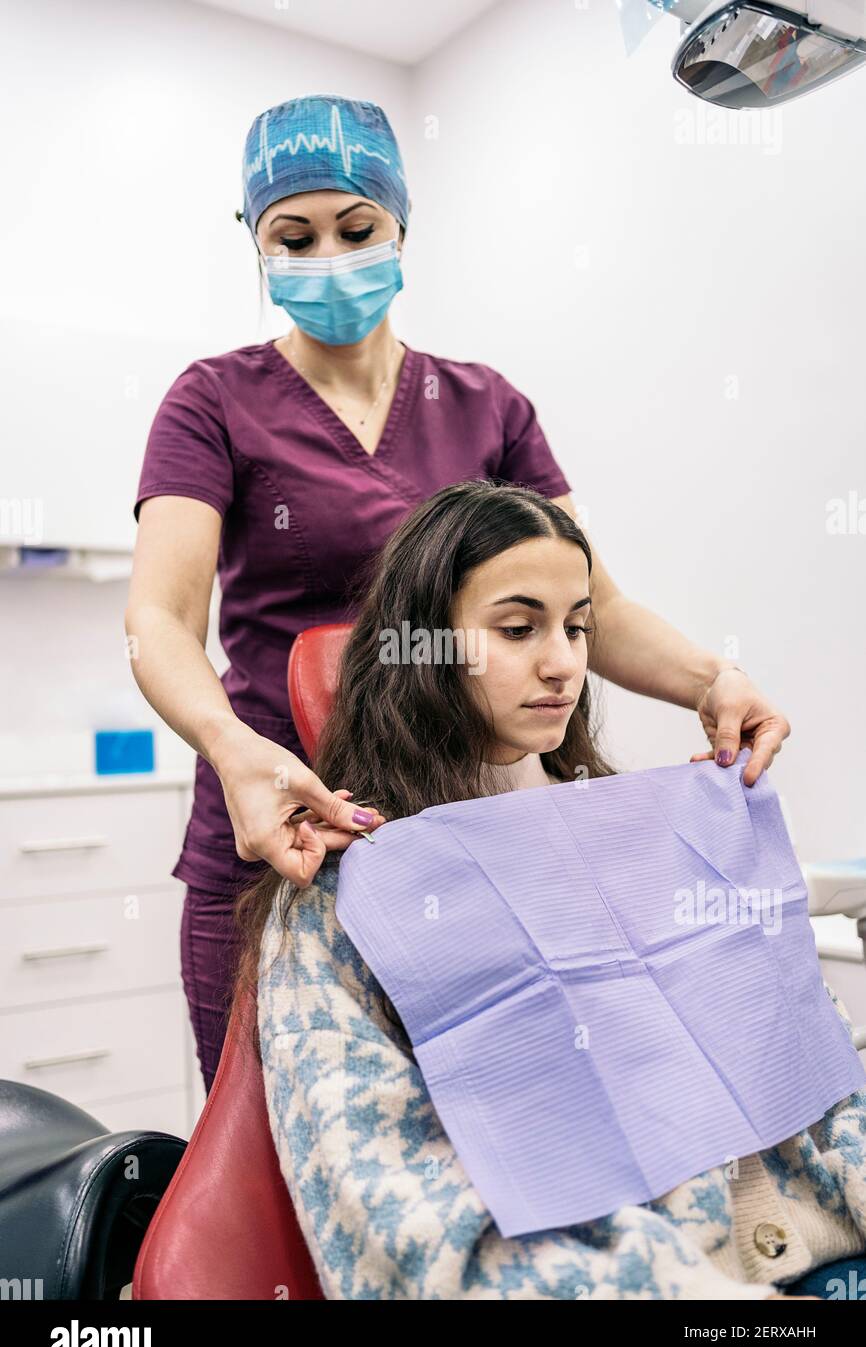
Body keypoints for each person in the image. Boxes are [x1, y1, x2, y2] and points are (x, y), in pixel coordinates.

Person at [125, 92, 791, 1095]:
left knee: (473, 1122)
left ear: (401, 226)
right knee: (273, 1131)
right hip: (279, 821)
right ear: (253, 244)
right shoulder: (212, 400)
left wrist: (711, 678)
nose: (328, 254)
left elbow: (591, 604)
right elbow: (159, 622)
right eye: (292, 236)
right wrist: (234, 752)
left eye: (356, 228)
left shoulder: (485, 405)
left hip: (464, 831)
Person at [236, 482, 865, 1301]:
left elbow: (824, 1074)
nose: (564, 662)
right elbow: (397, 1215)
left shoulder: (653, 832)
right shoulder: (348, 891)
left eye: (578, 627)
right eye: (517, 628)